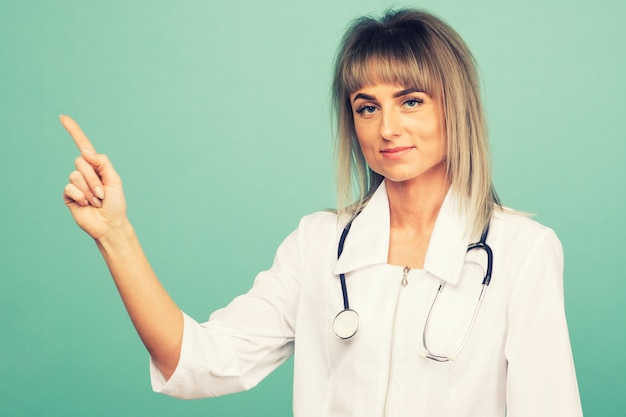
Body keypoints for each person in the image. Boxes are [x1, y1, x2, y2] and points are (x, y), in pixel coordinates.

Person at [61, 8, 583, 417]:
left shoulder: (523, 250)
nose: (387, 128)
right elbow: (197, 363)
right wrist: (115, 233)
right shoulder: (317, 243)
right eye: (367, 107)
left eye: (412, 101)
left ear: (456, 106)